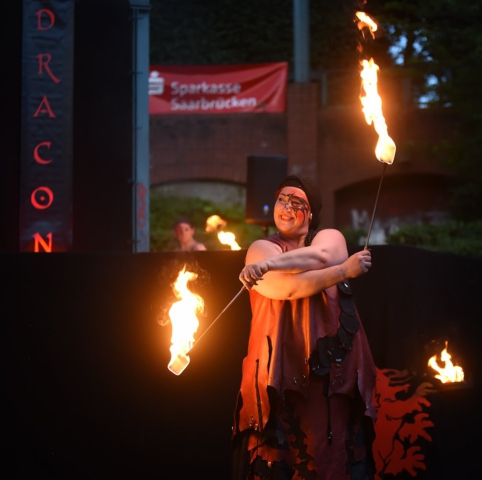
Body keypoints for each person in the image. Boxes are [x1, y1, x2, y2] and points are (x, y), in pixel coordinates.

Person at [231, 174, 377, 480]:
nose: (286, 207)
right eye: (282, 200)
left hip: (330, 378)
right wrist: (342, 271)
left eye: (296, 202)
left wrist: (273, 265)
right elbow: (287, 289)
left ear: (310, 214)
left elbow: (321, 255)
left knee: (335, 455)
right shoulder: (260, 249)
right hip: (278, 378)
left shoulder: (330, 238)